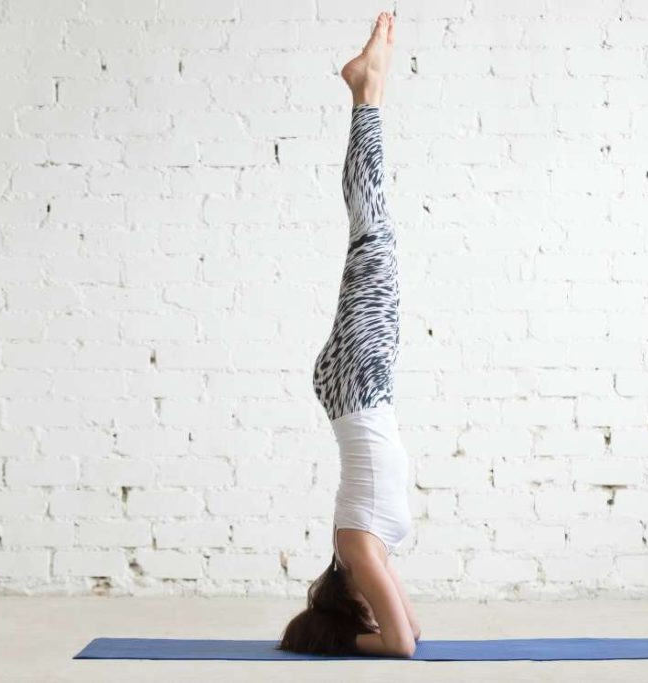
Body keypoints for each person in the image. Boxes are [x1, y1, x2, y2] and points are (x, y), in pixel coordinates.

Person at [278, 11, 421, 658]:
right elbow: (411, 633)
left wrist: (352, 640)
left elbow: (398, 647)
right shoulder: (368, 553)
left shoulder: (356, 546)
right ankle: (370, 93)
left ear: (350, 599)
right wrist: (358, 631)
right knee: (376, 236)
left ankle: (366, 93)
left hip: (359, 386)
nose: (375, 599)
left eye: (364, 605)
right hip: (360, 386)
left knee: (374, 232)